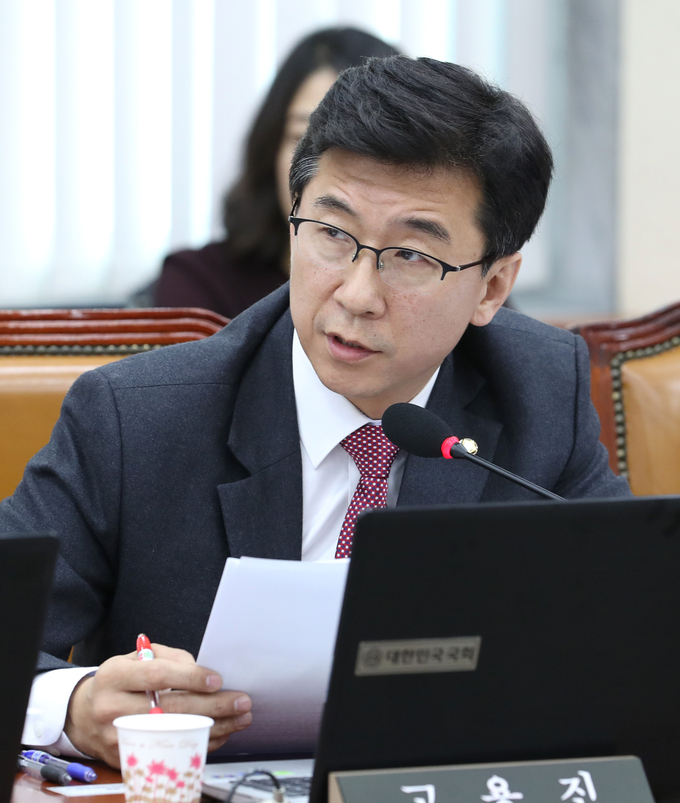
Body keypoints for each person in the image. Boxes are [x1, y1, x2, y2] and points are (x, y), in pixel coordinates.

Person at [3, 55, 631, 767]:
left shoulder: (539, 395)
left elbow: (630, 627)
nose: (357, 294)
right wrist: (75, 704)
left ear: (492, 286)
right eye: (333, 233)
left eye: (411, 255)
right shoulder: (137, 419)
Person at [147, 27, 399, 317]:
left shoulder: (423, 292)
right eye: (304, 138)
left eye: (358, 145)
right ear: (271, 146)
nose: (325, 169)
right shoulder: (198, 281)